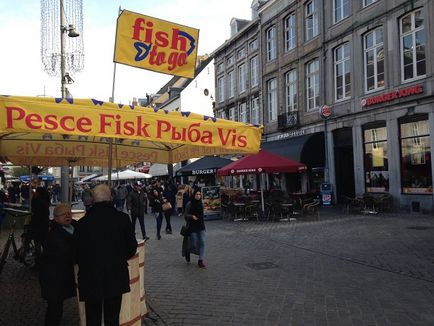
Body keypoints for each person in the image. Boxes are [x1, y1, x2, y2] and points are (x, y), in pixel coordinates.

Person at [74, 184, 138, 326]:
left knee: (92, 318)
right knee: (112, 318)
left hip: (90, 276)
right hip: (115, 274)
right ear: (110, 197)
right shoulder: (122, 219)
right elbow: (131, 248)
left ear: (92, 199)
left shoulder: (82, 223)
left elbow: (75, 253)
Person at [39, 203, 76, 326]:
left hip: (63, 276)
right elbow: (68, 253)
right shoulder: (54, 235)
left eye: (69, 213)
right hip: (53, 278)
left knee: (56, 307)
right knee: (55, 308)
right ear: (55, 218)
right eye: (63, 214)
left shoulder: (73, 227)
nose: (67, 216)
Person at [184, 190, 206, 268]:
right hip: (192, 226)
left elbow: (202, 214)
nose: (198, 196)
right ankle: (188, 250)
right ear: (194, 195)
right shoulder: (189, 204)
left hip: (201, 225)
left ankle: (200, 260)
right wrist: (192, 216)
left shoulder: (201, 204)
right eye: (196, 194)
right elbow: (185, 215)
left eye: (199, 194)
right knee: (194, 243)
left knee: (202, 242)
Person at [29, 186, 51, 263]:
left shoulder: (36, 199)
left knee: (37, 241)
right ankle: (46, 257)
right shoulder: (46, 199)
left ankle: (39, 259)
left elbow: (33, 209)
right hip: (45, 222)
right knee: (44, 241)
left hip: (37, 223)